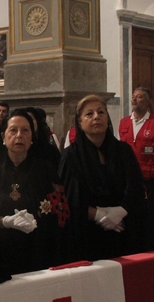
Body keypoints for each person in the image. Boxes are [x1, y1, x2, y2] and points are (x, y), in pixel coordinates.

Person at [0, 110, 73, 273]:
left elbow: (61, 213)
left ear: (32, 137)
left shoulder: (46, 170)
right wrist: (3, 221)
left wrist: (38, 221)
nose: (19, 136)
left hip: (38, 252)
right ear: (3, 137)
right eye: (13, 130)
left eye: (25, 130)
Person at [58, 94, 146, 261]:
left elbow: (136, 185)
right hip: (87, 234)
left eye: (101, 112)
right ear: (80, 123)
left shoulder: (124, 151)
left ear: (107, 118)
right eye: (89, 114)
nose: (96, 117)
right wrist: (99, 215)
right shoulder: (71, 156)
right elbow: (70, 197)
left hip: (123, 229)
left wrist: (121, 211)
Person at [118, 88, 154, 251]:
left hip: (148, 177)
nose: (134, 99)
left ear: (147, 102)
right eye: (133, 96)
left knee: (149, 214)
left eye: (139, 97)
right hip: (128, 177)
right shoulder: (124, 122)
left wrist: (152, 161)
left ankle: (152, 246)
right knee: (131, 212)